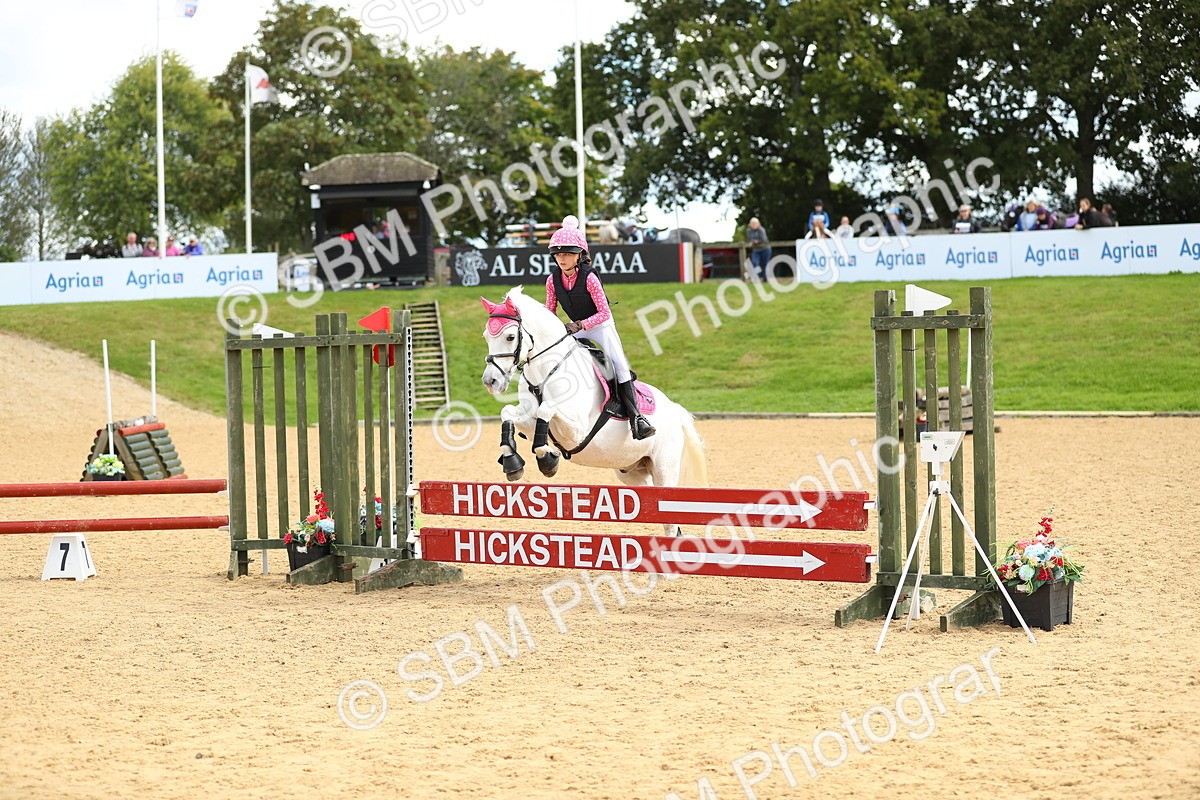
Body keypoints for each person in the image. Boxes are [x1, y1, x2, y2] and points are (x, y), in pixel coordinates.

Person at [544, 215, 655, 440]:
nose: (562, 258)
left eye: (568, 253)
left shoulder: (589, 277)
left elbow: (605, 312)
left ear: (579, 255)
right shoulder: (552, 280)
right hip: (574, 329)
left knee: (620, 365)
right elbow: (550, 312)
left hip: (599, 325)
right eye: (558, 254)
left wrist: (580, 325)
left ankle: (637, 419)